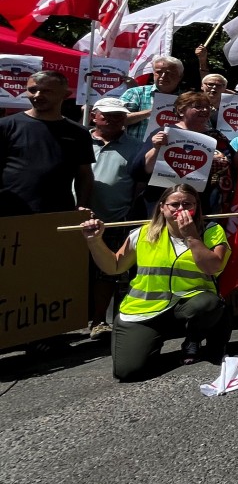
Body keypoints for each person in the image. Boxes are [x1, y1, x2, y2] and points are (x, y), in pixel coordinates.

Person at [79, 183, 231, 380]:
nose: (181, 209)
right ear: (162, 207)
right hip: (144, 310)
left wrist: (192, 236)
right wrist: (94, 241)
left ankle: (196, 338)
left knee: (209, 304)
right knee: (128, 371)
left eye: (187, 204)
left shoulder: (211, 230)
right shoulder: (142, 233)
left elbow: (213, 267)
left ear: (197, 207)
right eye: (174, 204)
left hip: (190, 305)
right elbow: (114, 267)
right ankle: (150, 339)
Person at [86, 96, 144, 339]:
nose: (113, 119)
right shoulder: (79, 141)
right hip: (75, 218)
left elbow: (139, 185)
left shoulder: (136, 146)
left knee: (106, 273)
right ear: (94, 116)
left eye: (118, 115)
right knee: (73, 272)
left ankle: (99, 321)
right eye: (106, 114)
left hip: (115, 219)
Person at [0, 71, 94, 217]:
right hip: (9, 212)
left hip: (56, 214)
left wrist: (81, 204)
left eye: (46, 91)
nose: (37, 95)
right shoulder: (6, 126)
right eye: (32, 90)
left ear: (65, 94)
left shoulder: (79, 133)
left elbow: (84, 174)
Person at [133, 90, 232, 214]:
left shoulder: (216, 137)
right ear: (180, 110)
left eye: (207, 107)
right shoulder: (164, 133)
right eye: (198, 107)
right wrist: (156, 148)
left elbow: (232, 163)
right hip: (165, 203)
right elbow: (139, 171)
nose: (205, 110)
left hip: (203, 204)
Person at [121, 56, 184, 138]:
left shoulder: (187, 99)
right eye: (159, 72)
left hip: (171, 148)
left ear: (180, 76)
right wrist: (155, 111)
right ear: (153, 73)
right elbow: (118, 120)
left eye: (169, 73)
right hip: (137, 148)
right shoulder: (135, 93)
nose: (163, 76)